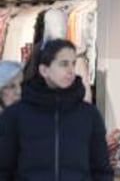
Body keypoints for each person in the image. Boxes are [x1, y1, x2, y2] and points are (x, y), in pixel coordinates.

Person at [0, 39, 113, 181]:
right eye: (63, 64)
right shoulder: (15, 115)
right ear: (44, 70)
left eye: (73, 63)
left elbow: (101, 169)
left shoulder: (89, 115)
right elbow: (4, 169)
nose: (71, 70)